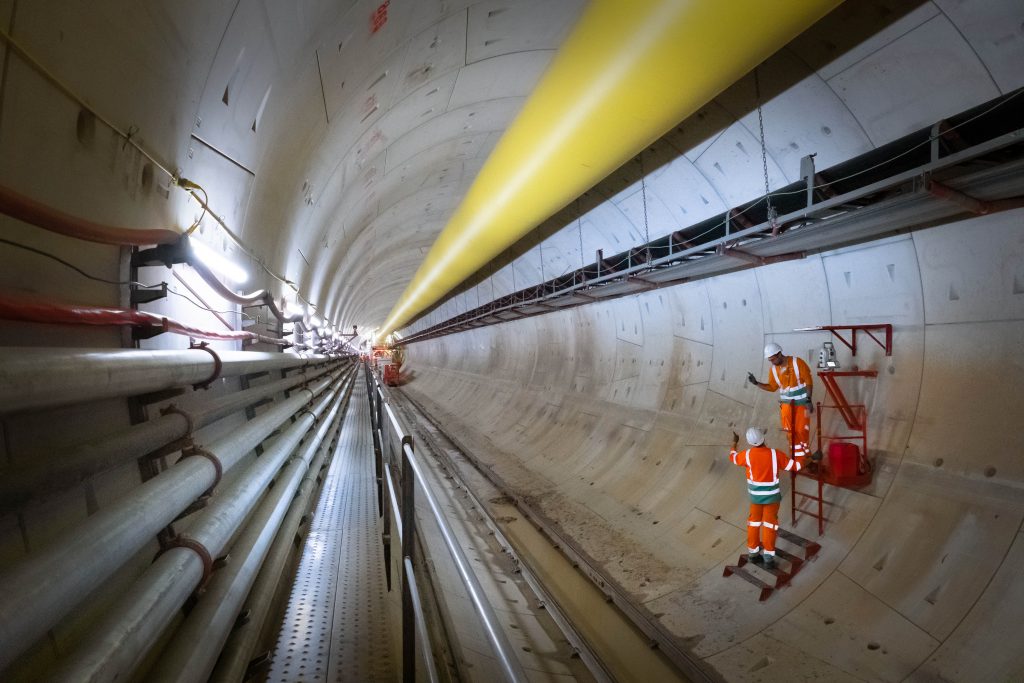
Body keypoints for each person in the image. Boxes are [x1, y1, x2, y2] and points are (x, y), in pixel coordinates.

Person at [729, 428, 801, 569]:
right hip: (772, 499)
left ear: (750, 442)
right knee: (769, 526)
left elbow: (733, 457)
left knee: (753, 524)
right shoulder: (775, 454)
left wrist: (734, 443)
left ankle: (753, 554)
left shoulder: (747, 455)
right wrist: (810, 458)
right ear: (763, 438)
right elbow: (796, 466)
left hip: (755, 499)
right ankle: (768, 559)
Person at [748, 342, 814, 462]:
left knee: (801, 432)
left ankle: (805, 459)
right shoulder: (773, 370)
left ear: (779, 354)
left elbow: (809, 381)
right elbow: (772, 387)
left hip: (802, 405)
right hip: (786, 407)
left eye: (773, 359)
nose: (772, 362)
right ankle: (797, 460)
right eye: (770, 360)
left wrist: (808, 399)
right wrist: (756, 383)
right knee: (790, 433)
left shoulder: (797, 363)